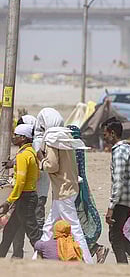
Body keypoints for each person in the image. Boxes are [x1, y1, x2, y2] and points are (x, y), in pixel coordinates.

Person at [36, 111, 93, 264]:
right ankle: (36, 257)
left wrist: (41, 160)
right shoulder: (64, 135)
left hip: (63, 189)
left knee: (74, 228)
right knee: (48, 226)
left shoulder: (52, 138)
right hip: (68, 187)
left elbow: (52, 166)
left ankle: (88, 261)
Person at [103, 119, 130, 265]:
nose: (104, 138)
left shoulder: (119, 151)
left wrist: (111, 206)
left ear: (113, 133)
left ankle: (129, 263)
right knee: (117, 234)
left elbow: (118, 181)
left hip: (121, 201)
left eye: (105, 134)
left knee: (115, 236)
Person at [0, 124, 42, 258]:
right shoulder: (31, 153)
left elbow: (21, 182)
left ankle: (46, 257)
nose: (13, 138)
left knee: (33, 233)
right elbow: (36, 176)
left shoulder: (23, 156)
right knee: (9, 230)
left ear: (23, 138)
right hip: (28, 196)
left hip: (25, 198)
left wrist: (9, 201)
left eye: (16, 136)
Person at [67, 125, 107, 264]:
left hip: (74, 188)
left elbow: (74, 169)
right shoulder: (79, 145)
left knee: (77, 222)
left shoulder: (74, 147)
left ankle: (93, 250)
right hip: (79, 185)